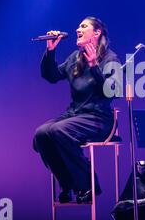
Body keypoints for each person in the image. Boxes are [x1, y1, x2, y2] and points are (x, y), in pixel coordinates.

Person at [33, 16, 120, 204]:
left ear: (96, 33)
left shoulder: (110, 58)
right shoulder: (75, 57)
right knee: (41, 134)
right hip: (76, 115)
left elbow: (113, 92)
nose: (77, 29)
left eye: (83, 26)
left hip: (99, 117)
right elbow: (52, 76)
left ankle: (87, 184)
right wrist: (50, 51)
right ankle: (67, 183)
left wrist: (95, 67)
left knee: (58, 130)